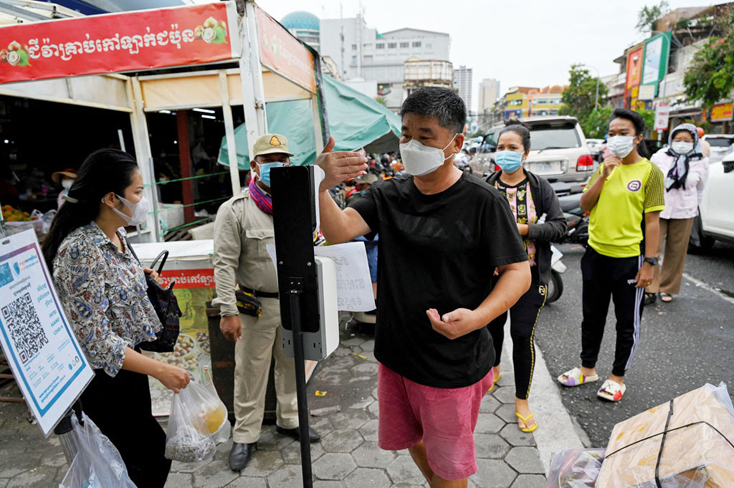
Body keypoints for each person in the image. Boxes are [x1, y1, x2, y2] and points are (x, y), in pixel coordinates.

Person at [317, 87, 531, 487]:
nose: (411, 145)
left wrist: (477, 319)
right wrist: (321, 186)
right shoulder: (388, 194)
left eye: (425, 136)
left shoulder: (483, 201)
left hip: (450, 361)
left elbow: (519, 272)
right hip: (397, 352)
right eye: (405, 134)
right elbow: (339, 231)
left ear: (456, 142)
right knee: (412, 439)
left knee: (450, 468)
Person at [42, 149, 190, 488]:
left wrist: (139, 274)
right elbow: (94, 339)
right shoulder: (81, 249)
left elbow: (107, 285)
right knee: (146, 459)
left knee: (138, 462)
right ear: (111, 198)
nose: (143, 200)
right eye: (137, 192)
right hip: (103, 381)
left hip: (128, 370)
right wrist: (162, 370)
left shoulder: (115, 235)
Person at [212, 133, 322, 473]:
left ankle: (289, 419)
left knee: (292, 365)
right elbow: (224, 263)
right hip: (254, 308)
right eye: (268, 159)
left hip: (295, 303)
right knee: (250, 371)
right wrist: (227, 311)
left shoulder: (300, 206)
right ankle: (245, 435)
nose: (277, 164)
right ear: (254, 165)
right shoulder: (235, 210)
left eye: (282, 158)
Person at [558, 108, 665, 403]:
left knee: (626, 322)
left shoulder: (650, 172)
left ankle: (617, 377)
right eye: (612, 133)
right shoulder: (604, 167)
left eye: (623, 133)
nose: (616, 138)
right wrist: (604, 175)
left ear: (638, 138)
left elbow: (653, 221)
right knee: (591, 317)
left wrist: (651, 263)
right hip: (595, 254)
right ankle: (587, 368)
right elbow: (585, 203)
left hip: (630, 259)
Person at [484, 121, 566, 433]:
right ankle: (493, 370)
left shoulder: (539, 188)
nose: (505, 153)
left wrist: (523, 230)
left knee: (522, 336)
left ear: (526, 153)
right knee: (492, 329)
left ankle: (521, 401)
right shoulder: (486, 186)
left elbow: (559, 227)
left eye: (512, 148)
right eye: (501, 147)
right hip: (492, 276)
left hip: (530, 276)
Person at [645, 123, 709, 304]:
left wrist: (694, 208)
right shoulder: (660, 157)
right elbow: (649, 181)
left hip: (685, 210)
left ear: (694, 142)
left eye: (687, 140)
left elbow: (701, 188)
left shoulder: (701, 161)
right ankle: (650, 287)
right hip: (658, 208)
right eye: (678, 139)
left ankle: (667, 288)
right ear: (671, 139)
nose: (682, 143)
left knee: (676, 251)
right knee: (652, 249)